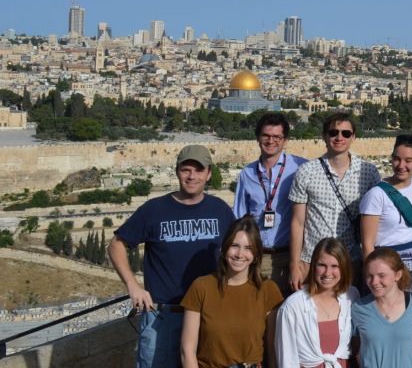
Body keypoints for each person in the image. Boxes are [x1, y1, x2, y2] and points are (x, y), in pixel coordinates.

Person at [108, 144, 236, 368]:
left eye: (198, 170)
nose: (192, 176)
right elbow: (116, 245)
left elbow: (238, 253)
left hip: (209, 315)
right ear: (177, 171)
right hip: (164, 316)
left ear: (208, 174)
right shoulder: (154, 210)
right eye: (186, 170)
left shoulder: (220, 210)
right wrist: (132, 285)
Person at [289, 112, 382, 290]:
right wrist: (294, 264)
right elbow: (297, 222)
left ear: (353, 137)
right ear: (324, 136)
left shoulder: (368, 173)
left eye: (346, 133)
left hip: (352, 261)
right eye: (333, 133)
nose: (339, 137)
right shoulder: (306, 172)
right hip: (312, 261)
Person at [180, 215, 284, 368]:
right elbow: (187, 351)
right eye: (234, 245)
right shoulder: (201, 287)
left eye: (248, 248)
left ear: (256, 255)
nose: (240, 254)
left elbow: (273, 350)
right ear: (224, 248)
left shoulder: (268, 290)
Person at [234, 112, 309, 297]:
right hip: (257, 258)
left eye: (277, 137)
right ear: (258, 138)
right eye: (266, 135)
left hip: (291, 257)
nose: (271, 141)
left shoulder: (301, 168)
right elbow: (239, 218)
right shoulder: (247, 174)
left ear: (285, 141)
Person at [276, 237, 359, 368]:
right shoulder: (293, 305)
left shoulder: (351, 296)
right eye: (322, 265)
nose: (327, 273)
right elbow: (287, 359)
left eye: (334, 266)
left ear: (343, 268)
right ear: (313, 266)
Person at [361, 133, 412, 292]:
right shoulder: (376, 195)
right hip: (386, 264)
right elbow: (367, 244)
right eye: (396, 158)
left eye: (408, 160)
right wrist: (374, 277)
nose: (400, 165)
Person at [350, 247, 412, 367]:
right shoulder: (358, 308)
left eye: (381, 275)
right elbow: (353, 350)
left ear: (398, 275)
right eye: (370, 276)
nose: (374, 282)